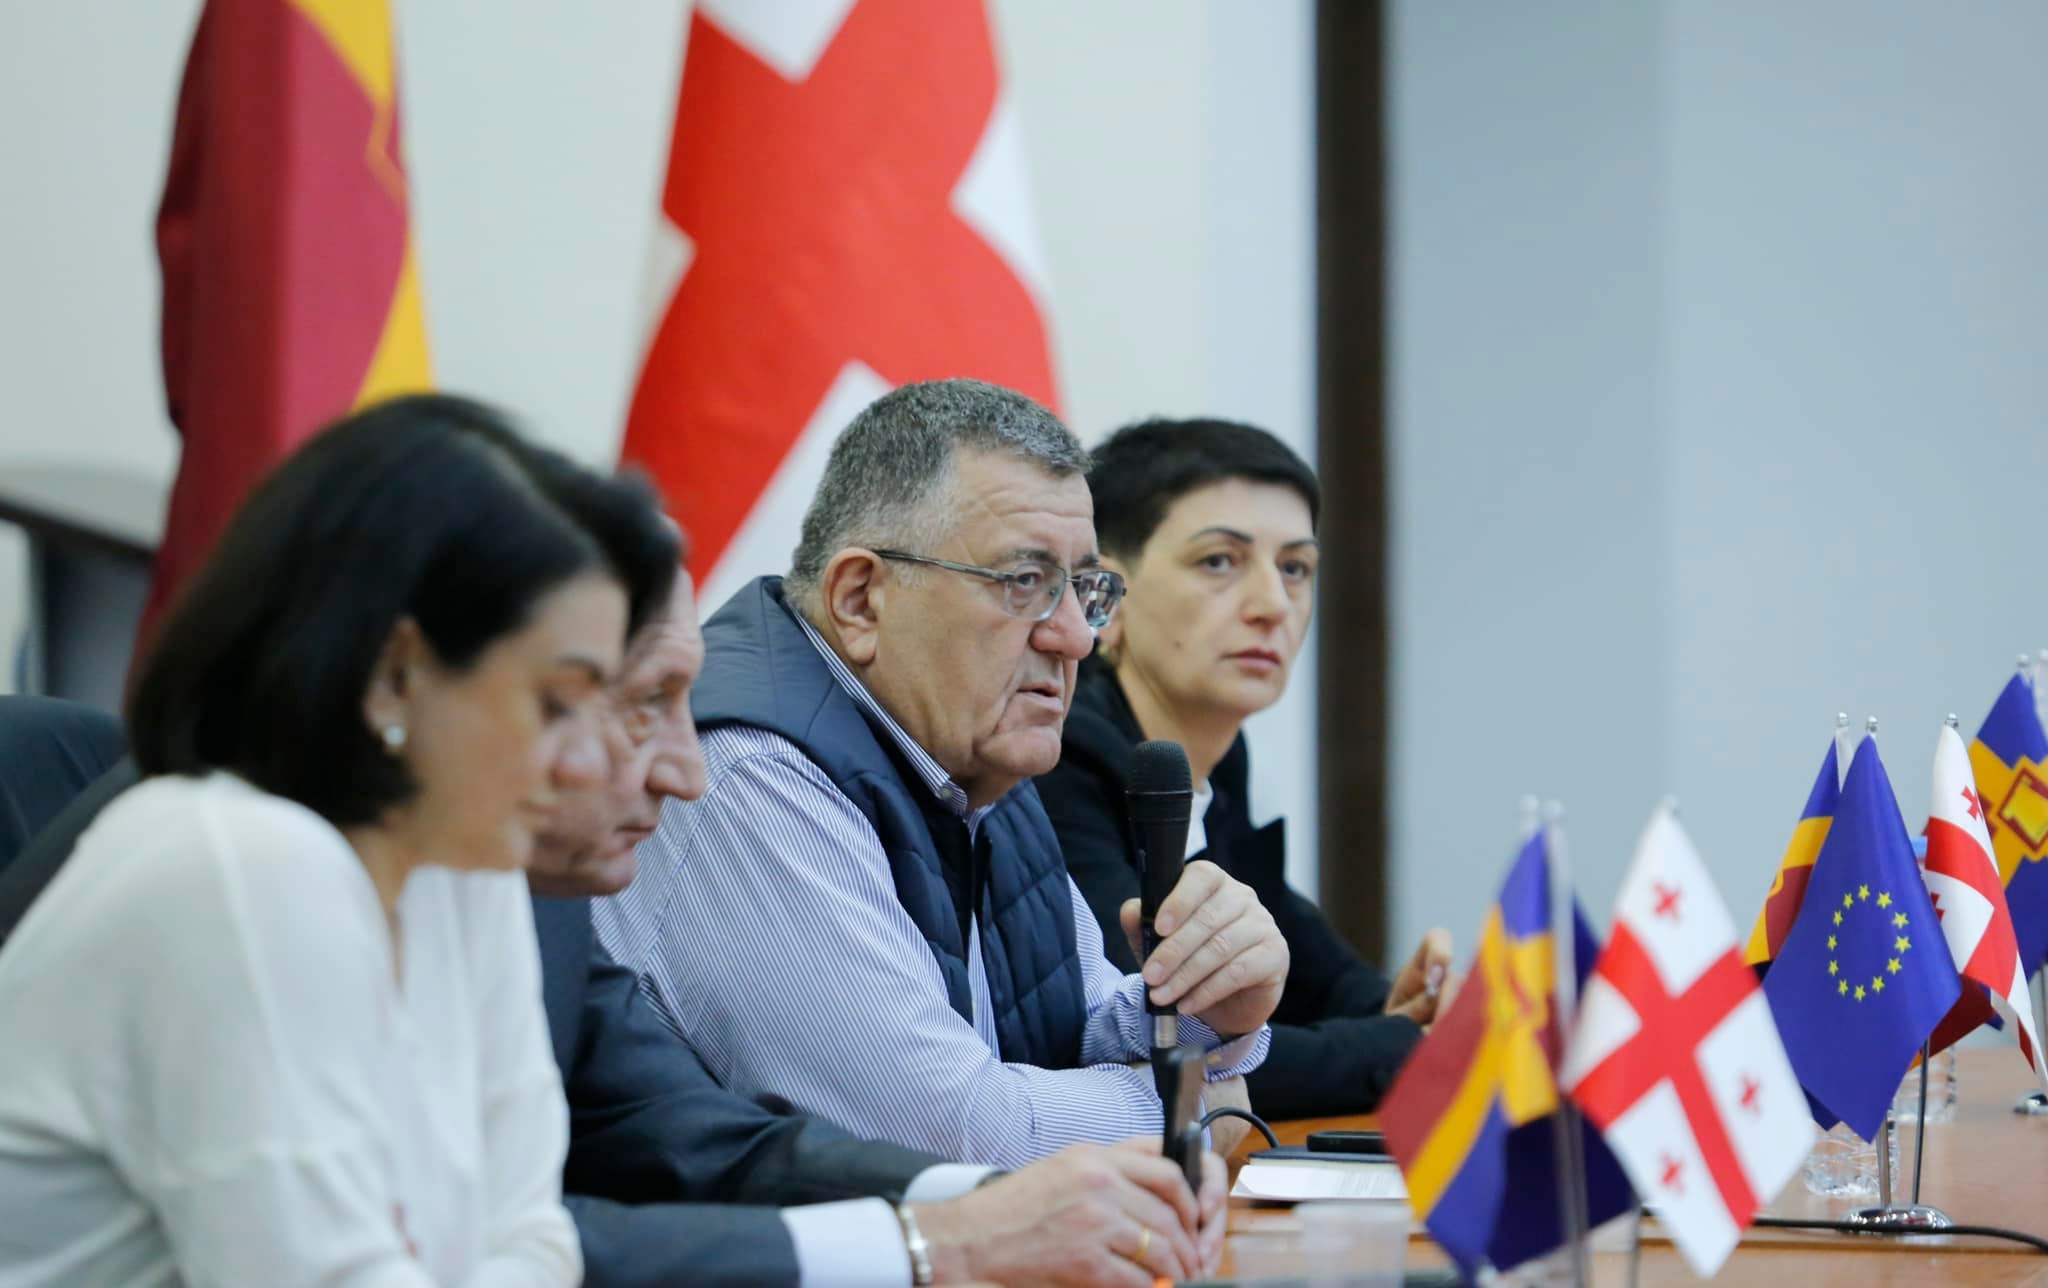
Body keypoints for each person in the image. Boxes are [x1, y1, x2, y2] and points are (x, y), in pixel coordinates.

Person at [0, 570, 1225, 1288]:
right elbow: (434, 1261)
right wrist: (926, 1242)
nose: (687, 770)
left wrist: (1001, 1202)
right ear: (427, 689)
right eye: (642, 705)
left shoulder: (497, 874)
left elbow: (690, 1146)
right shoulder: (244, 869)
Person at [0, 394, 677, 1285]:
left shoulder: (461, 864)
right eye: (555, 704)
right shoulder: (242, 867)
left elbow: (535, 1232)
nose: (590, 762)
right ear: (394, 676)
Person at [596, 379, 1290, 1169]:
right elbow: (956, 1138)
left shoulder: (978, 767)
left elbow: (1086, 1024)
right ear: (861, 600)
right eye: (1024, 582)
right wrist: (1195, 1106)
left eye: (1085, 589)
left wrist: (1213, 1014)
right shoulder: (750, 777)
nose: (1076, 638)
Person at [1035, 416, 1457, 1119]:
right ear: (1104, 593)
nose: (1272, 606)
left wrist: (1411, 1007)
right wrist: (1410, 1047)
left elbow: (1300, 958)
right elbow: (1168, 1035)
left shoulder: (1220, 758)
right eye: (1219, 562)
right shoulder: (1061, 756)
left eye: (1295, 568)